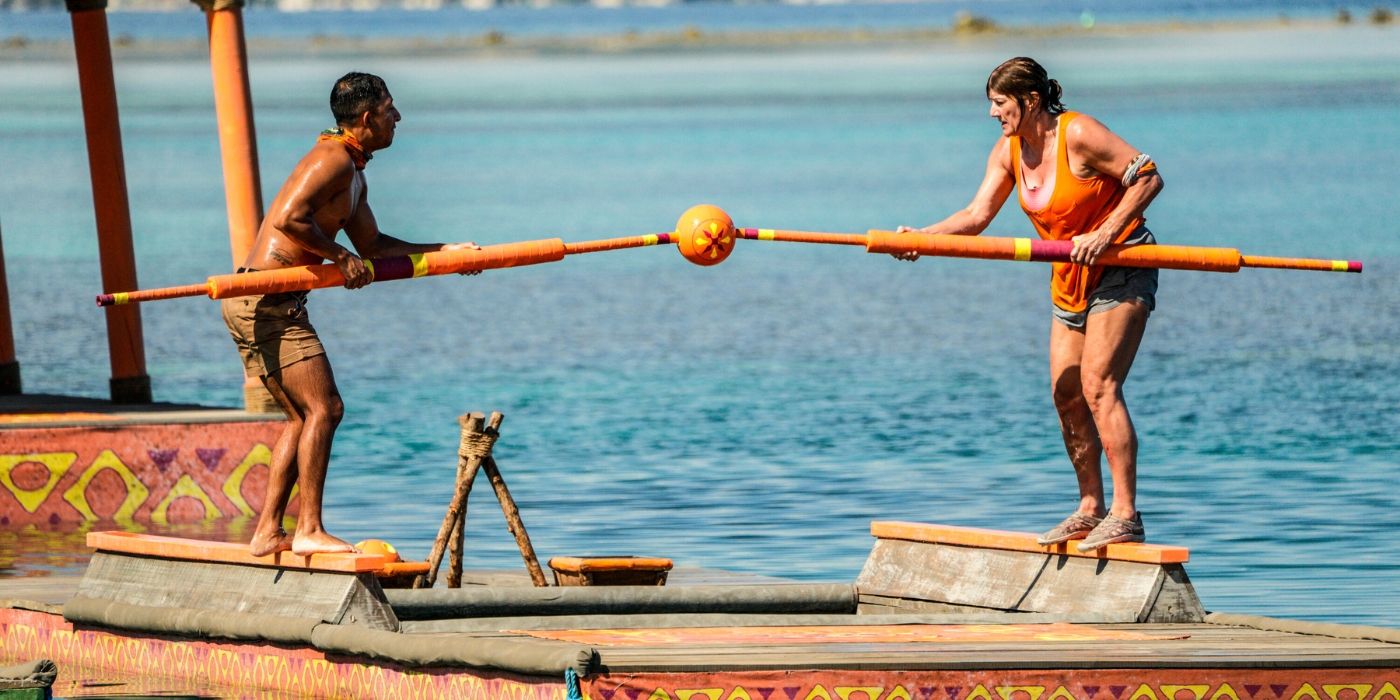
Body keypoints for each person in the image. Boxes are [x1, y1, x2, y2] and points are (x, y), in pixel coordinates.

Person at [896, 57, 1164, 551]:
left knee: (1098, 386)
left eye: (999, 103)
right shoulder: (1007, 151)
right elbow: (977, 216)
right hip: (1069, 278)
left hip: (1121, 266)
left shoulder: (1079, 133)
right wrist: (924, 237)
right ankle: (1090, 508)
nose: (993, 114)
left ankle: (1126, 514)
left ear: (1031, 100)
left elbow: (1147, 176)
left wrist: (1105, 232)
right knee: (1066, 393)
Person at [223, 72, 477, 556]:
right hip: (266, 301)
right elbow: (287, 219)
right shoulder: (332, 159)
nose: (397, 118)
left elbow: (375, 247)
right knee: (326, 408)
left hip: (264, 304)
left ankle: (267, 532)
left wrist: (448, 252)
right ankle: (308, 529)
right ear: (367, 118)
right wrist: (339, 258)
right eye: (390, 110)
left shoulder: (353, 172)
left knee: (302, 418)